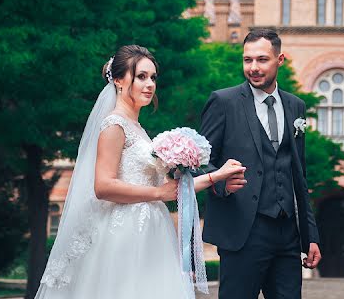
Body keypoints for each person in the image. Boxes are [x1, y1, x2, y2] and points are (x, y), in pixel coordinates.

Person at [37, 44, 244, 299]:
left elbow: (173, 190)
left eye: (153, 77)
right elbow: (102, 186)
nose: (149, 84)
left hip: (153, 229)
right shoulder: (114, 125)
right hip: (124, 232)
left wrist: (217, 175)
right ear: (119, 81)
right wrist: (158, 193)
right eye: (141, 76)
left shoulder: (137, 128)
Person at [200, 29, 322, 299]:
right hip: (243, 230)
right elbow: (200, 161)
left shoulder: (296, 106)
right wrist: (221, 183)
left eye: (262, 60)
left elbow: (299, 175)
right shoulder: (224, 102)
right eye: (247, 60)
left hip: (288, 232)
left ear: (280, 60)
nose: (253, 68)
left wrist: (310, 235)